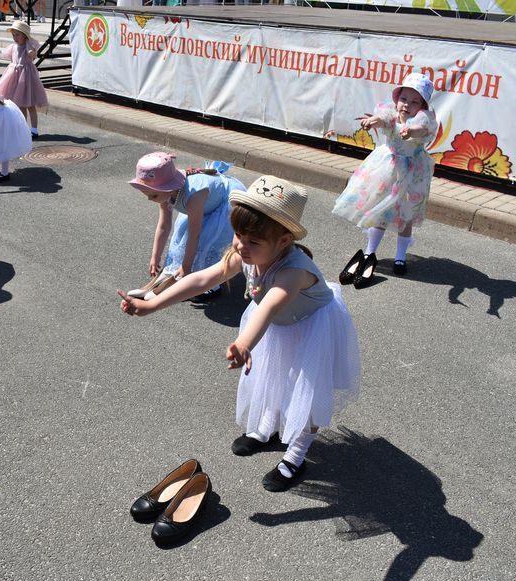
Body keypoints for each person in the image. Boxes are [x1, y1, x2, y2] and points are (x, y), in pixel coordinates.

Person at [119, 175, 361, 492]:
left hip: (311, 325)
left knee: (306, 390)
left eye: (253, 242)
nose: (240, 246)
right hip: (277, 324)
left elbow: (270, 306)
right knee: (271, 374)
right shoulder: (246, 252)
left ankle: (296, 455)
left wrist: (245, 342)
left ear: (284, 241)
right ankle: (266, 429)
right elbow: (203, 279)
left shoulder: (293, 272)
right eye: (237, 235)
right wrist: (152, 304)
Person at [332, 73, 438, 285]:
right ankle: (369, 253)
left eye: (414, 101)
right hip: (386, 168)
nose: (407, 105)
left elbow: (422, 129)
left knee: (405, 215)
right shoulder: (390, 111)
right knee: (380, 210)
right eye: (404, 99)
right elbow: (383, 119)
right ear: (397, 98)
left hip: (412, 172)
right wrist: (373, 121)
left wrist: (410, 130)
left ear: (422, 105)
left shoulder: (424, 119)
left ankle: (400, 256)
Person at [125, 152, 245, 302]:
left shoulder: (193, 196)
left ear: (168, 188)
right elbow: (164, 225)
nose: (150, 199)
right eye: (146, 195)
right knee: (180, 243)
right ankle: (169, 276)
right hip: (204, 206)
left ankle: (211, 286)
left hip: (223, 206)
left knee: (206, 244)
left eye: (153, 195)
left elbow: (194, 235)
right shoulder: (165, 192)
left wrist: (186, 267)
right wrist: (155, 256)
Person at [0, 21, 46, 139]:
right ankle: (23, 128)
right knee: (20, 105)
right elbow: (12, 59)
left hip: (27, 78)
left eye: (17, 35)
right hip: (14, 77)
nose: (15, 37)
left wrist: (30, 46)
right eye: (13, 35)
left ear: (25, 35)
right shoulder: (13, 47)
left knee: (30, 104)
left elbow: (33, 55)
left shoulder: (29, 46)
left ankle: (34, 129)